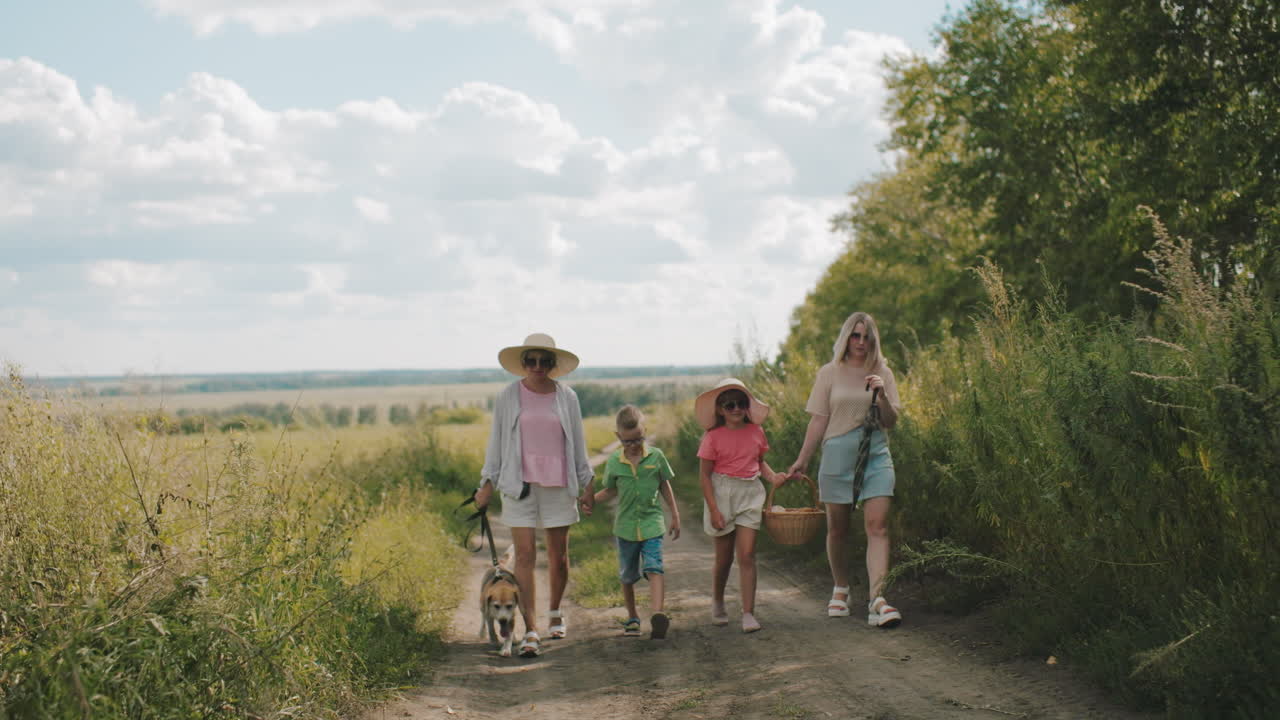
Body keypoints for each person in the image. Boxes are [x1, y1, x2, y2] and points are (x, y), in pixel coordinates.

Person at [473, 333, 596, 657]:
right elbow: (497, 442)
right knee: (524, 557)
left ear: (553, 365)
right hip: (519, 485)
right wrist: (487, 481)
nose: (537, 367)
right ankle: (530, 630)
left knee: (559, 556)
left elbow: (578, 444)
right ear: (523, 364)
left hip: (557, 484)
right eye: (531, 361)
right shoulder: (508, 396)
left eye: (544, 361)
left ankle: (554, 611)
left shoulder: (567, 397)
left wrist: (587, 483)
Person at [786, 312, 904, 628]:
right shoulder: (829, 373)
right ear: (846, 337)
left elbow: (891, 421)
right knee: (837, 529)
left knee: (878, 526)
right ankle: (841, 588)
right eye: (856, 335)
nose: (861, 342)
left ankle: (877, 599)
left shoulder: (883, 373)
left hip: (876, 455)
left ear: (874, 340)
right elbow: (819, 419)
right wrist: (803, 459)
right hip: (837, 457)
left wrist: (880, 395)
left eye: (867, 336)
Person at [695, 378, 786, 633]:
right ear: (721, 410)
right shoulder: (712, 437)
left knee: (746, 554)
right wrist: (714, 509)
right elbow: (704, 476)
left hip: (750, 492)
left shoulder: (756, 432)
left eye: (741, 404)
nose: (736, 409)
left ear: (747, 406)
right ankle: (718, 601)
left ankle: (748, 612)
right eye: (730, 405)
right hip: (722, 493)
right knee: (723, 559)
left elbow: (760, 462)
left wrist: (773, 477)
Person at [592, 405, 681, 640]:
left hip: (652, 524)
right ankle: (632, 617)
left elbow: (665, 485)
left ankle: (657, 614)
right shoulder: (614, 461)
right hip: (626, 527)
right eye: (628, 441)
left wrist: (675, 514)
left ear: (645, 431)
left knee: (654, 566)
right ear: (618, 437)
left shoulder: (656, 457)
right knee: (627, 575)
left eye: (638, 439)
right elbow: (609, 491)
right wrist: (590, 501)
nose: (633, 445)